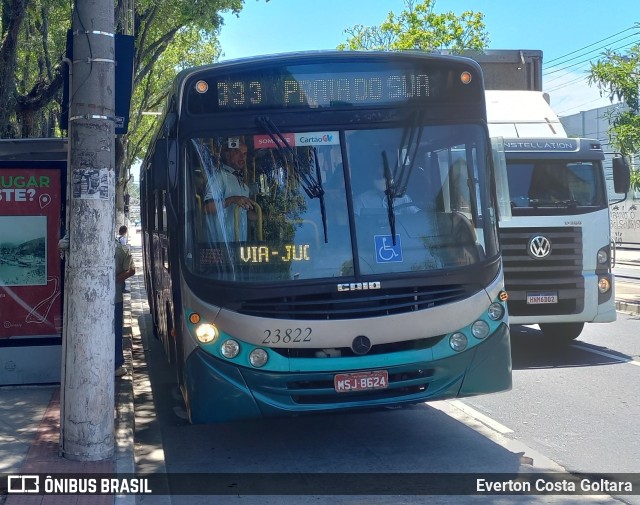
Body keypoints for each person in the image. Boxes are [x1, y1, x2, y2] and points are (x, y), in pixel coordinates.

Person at [202, 138, 257, 241]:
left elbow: (243, 213)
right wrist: (232, 200)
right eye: (237, 152)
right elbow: (206, 208)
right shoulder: (219, 177)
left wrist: (267, 217)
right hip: (221, 248)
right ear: (227, 155)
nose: (242, 157)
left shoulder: (244, 186)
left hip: (239, 248)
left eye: (244, 154)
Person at [115, 239, 135, 377]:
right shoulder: (120, 248)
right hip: (115, 299)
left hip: (114, 299)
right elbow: (132, 270)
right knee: (115, 332)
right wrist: (115, 280)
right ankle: (116, 365)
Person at [353, 174, 419, 215]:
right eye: (380, 176)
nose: (385, 179)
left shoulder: (403, 198)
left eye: (389, 176)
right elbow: (355, 224)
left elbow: (418, 216)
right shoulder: (361, 200)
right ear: (374, 178)